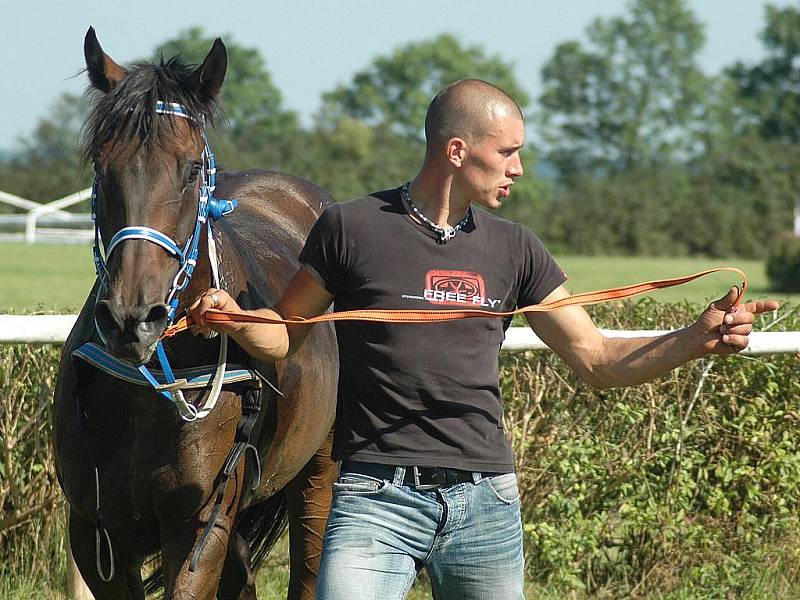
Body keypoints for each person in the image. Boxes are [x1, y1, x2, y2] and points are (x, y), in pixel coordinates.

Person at [189, 79, 778, 600]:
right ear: (457, 151)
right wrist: (234, 318)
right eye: (508, 152)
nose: (518, 168)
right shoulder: (351, 227)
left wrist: (694, 338)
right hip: (375, 496)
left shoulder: (516, 248)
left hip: (485, 503)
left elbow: (598, 359)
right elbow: (285, 337)